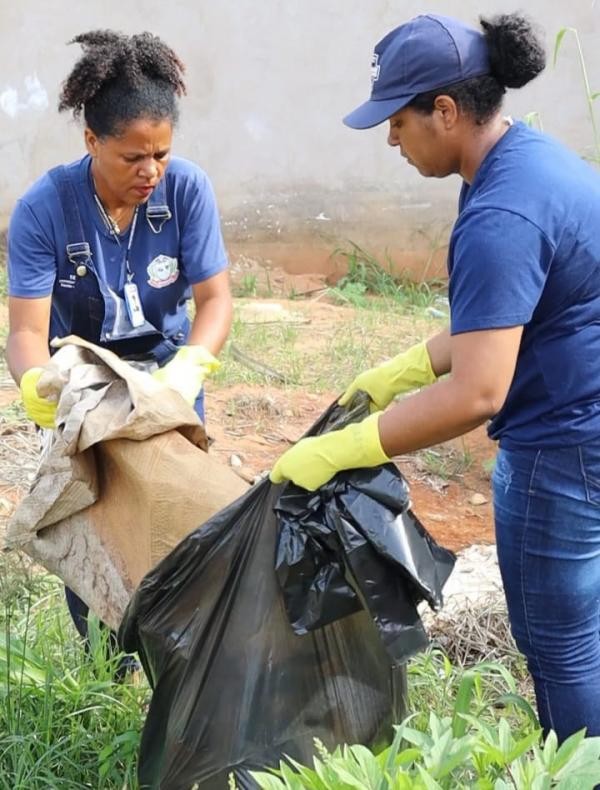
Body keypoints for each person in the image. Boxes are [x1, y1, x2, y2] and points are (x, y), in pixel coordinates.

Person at [271, 12, 600, 743]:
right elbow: (511, 311)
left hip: (563, 452)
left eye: (397, 120)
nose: (391, 139)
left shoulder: (500, 211)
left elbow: (479, 393)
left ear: (445, 112)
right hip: (587, 420)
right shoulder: (530, 161)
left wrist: (342, 447)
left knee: (560, 649)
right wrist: (410, 364)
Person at [7, 30, 233, 664]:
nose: (150, 171)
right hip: (86, 386)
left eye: (161, 153)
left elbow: (215, 302)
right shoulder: (45, 209)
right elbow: (25, 331)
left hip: (167, 380)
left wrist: (189, 370)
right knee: (98, 530)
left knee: (181, 526)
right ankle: (107, 672)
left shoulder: (186, 190)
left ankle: (182, 668)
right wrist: (38, 387)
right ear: (91, 141)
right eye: (133, 156)